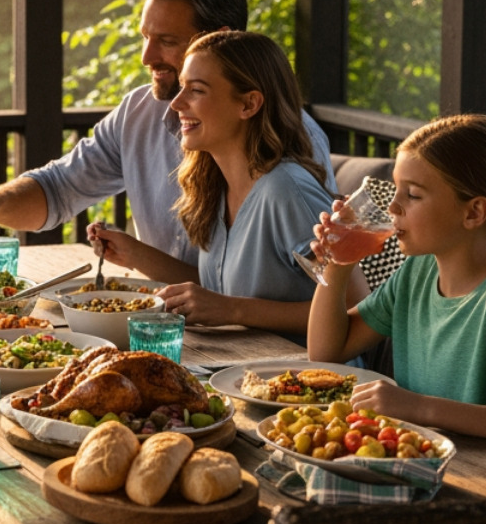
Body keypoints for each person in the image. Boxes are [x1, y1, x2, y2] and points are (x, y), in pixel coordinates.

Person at [0, 0, 335, 263]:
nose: (147, 57)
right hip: (180, 327)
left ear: (219, 38)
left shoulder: (287, 146)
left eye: (166, 41)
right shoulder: (139, 112)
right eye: (146, 37)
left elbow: (327, 293)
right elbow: (60, 187)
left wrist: (223, 308)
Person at [306, 114, 486, 459]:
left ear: (474, 212)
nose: (392, 207)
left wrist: (419, 407)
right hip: (431, 470)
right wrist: (340, 262)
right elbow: (326, 352)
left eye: (413, 195)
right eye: (396, 188)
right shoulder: (417, 273)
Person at [89, 30, 362, 334]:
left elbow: (356, 307)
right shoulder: (216, 186)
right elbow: (218, 290)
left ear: (248, 104)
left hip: (312, 378)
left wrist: (232, 310)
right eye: (182, 87)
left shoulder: (285, 191)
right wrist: (134, 254)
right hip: (237, 370)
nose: (176, 104)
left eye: (196, 90)